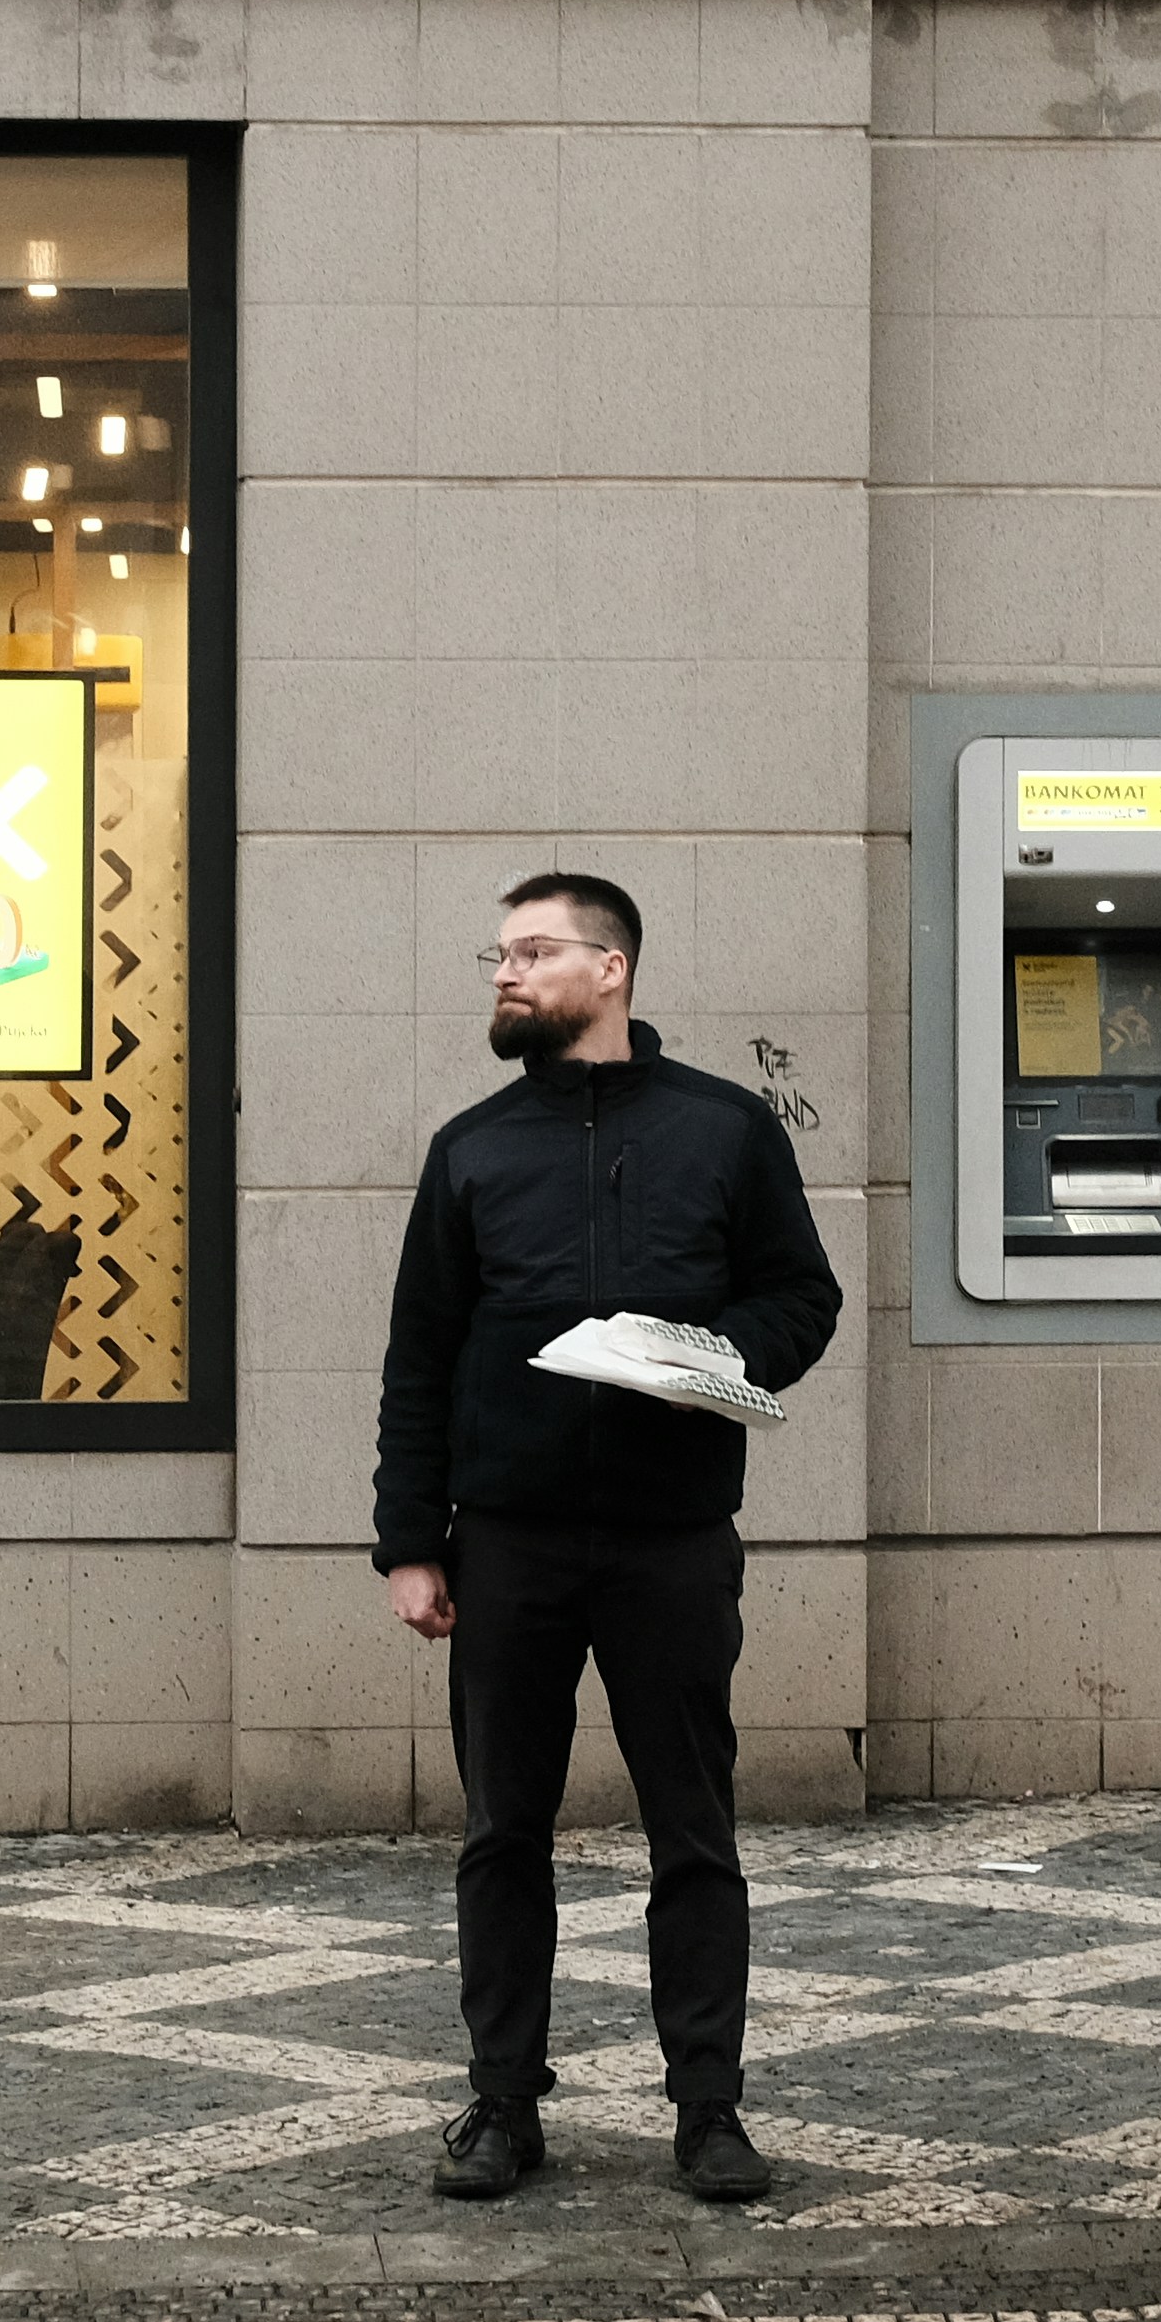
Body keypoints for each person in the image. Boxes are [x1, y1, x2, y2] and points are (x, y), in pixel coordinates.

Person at [374, 870, 843, 2206]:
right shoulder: (473, 1147)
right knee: (501, 1835)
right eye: (501, 953)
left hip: (673, 1540)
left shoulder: (725, 1131)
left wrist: (700, 1355)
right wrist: (413, 1542)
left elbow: (802, 1296)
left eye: (532, 952)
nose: (505, 974)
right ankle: (503, 2106)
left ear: (611, 970)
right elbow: (421, 1354)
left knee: (693, 1834)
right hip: (507, 1543)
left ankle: (708, 2112)